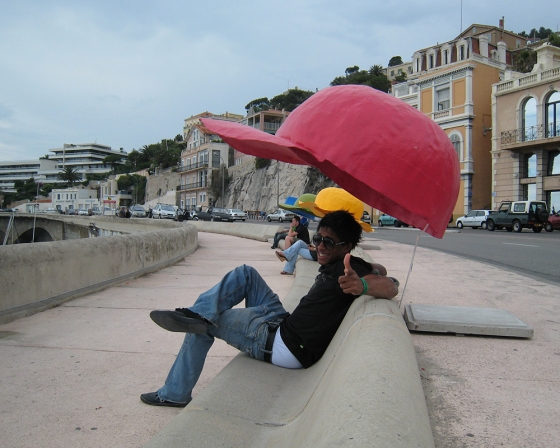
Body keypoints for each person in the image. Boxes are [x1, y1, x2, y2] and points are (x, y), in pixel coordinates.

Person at [140, 210, 399, 407]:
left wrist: (362, 285)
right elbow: (382, 271)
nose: (319, 246)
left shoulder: (350, 272)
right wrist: (373, 270)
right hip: (282, 324)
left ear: (346, 246)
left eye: (328, 243)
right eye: (319, 239)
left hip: (282, 346)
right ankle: (199, 311)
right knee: (246, 274)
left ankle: (174, 393)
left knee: (203, 323)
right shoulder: (352, 261)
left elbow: (389, 287)